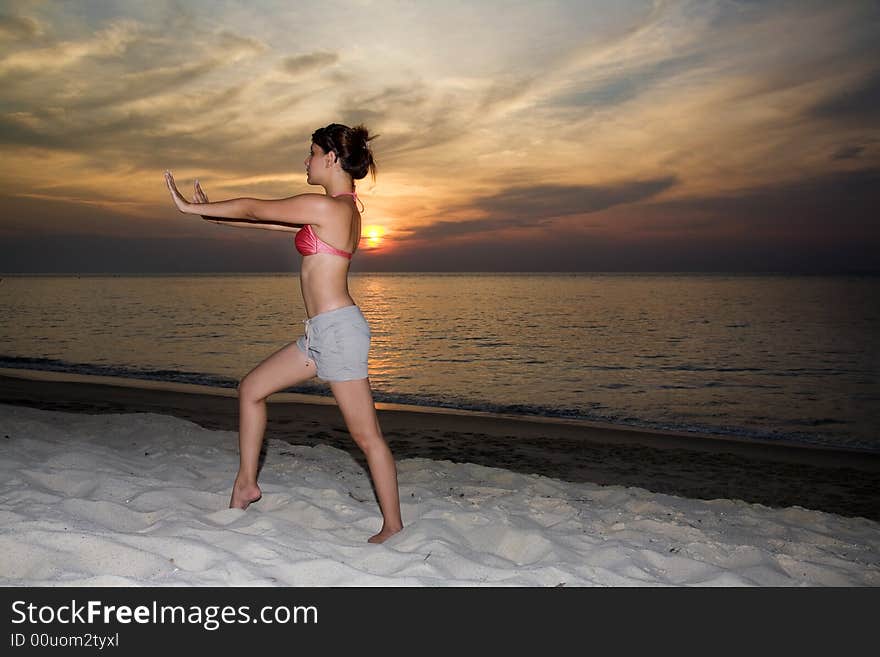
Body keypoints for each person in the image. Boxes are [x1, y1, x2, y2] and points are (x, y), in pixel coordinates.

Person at [164, 123, 403, 544]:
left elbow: (258, 208)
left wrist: (189, 208)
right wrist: (214, 214)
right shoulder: (337, 209)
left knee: (367, 437)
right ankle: (246, 484)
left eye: (311, 153)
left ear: (331, 158)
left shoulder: (331, 208)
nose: (306, 161)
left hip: (338, 334)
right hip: (320, 334)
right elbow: (266, 222)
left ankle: (393, 526)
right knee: (252, 389)